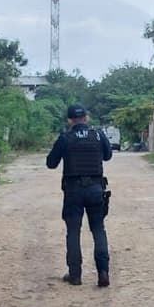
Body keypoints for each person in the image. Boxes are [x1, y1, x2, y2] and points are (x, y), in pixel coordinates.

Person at [46, 104, 113, 287]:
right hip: (96, 188)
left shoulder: (65, 138)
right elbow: (108, 156)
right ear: (87, 117)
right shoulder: (98, 135)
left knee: (73, 232)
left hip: (73, 190)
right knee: (98, 229)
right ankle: (103, 272)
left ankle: (75, 275)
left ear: (69, 120)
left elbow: (51, 163)